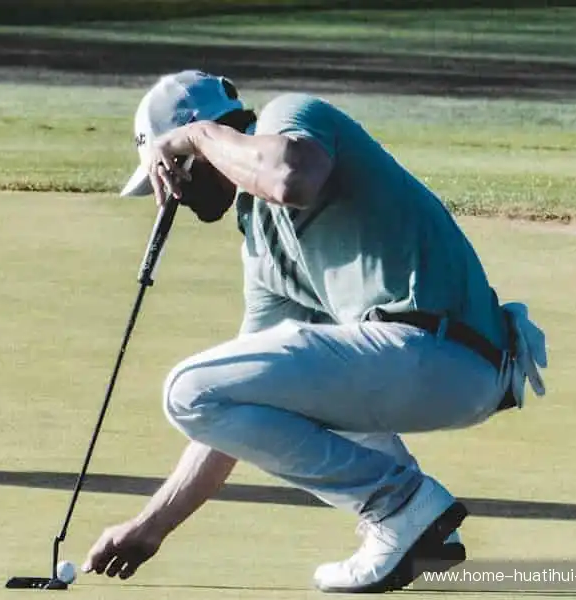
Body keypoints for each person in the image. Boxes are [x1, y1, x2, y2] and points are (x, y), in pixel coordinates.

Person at [80, 70, 548, 593]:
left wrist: (195, 138)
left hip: (433, 348)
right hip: (436, 367)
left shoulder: (290, 116)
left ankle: (399, 507)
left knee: (184, 389)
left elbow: (290, 179)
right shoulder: (261, 245)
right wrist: (150, 528)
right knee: (216, 393)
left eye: (170, 172)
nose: (172, 195)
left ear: (196, 141)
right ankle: (419, 531)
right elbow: (237, 407)